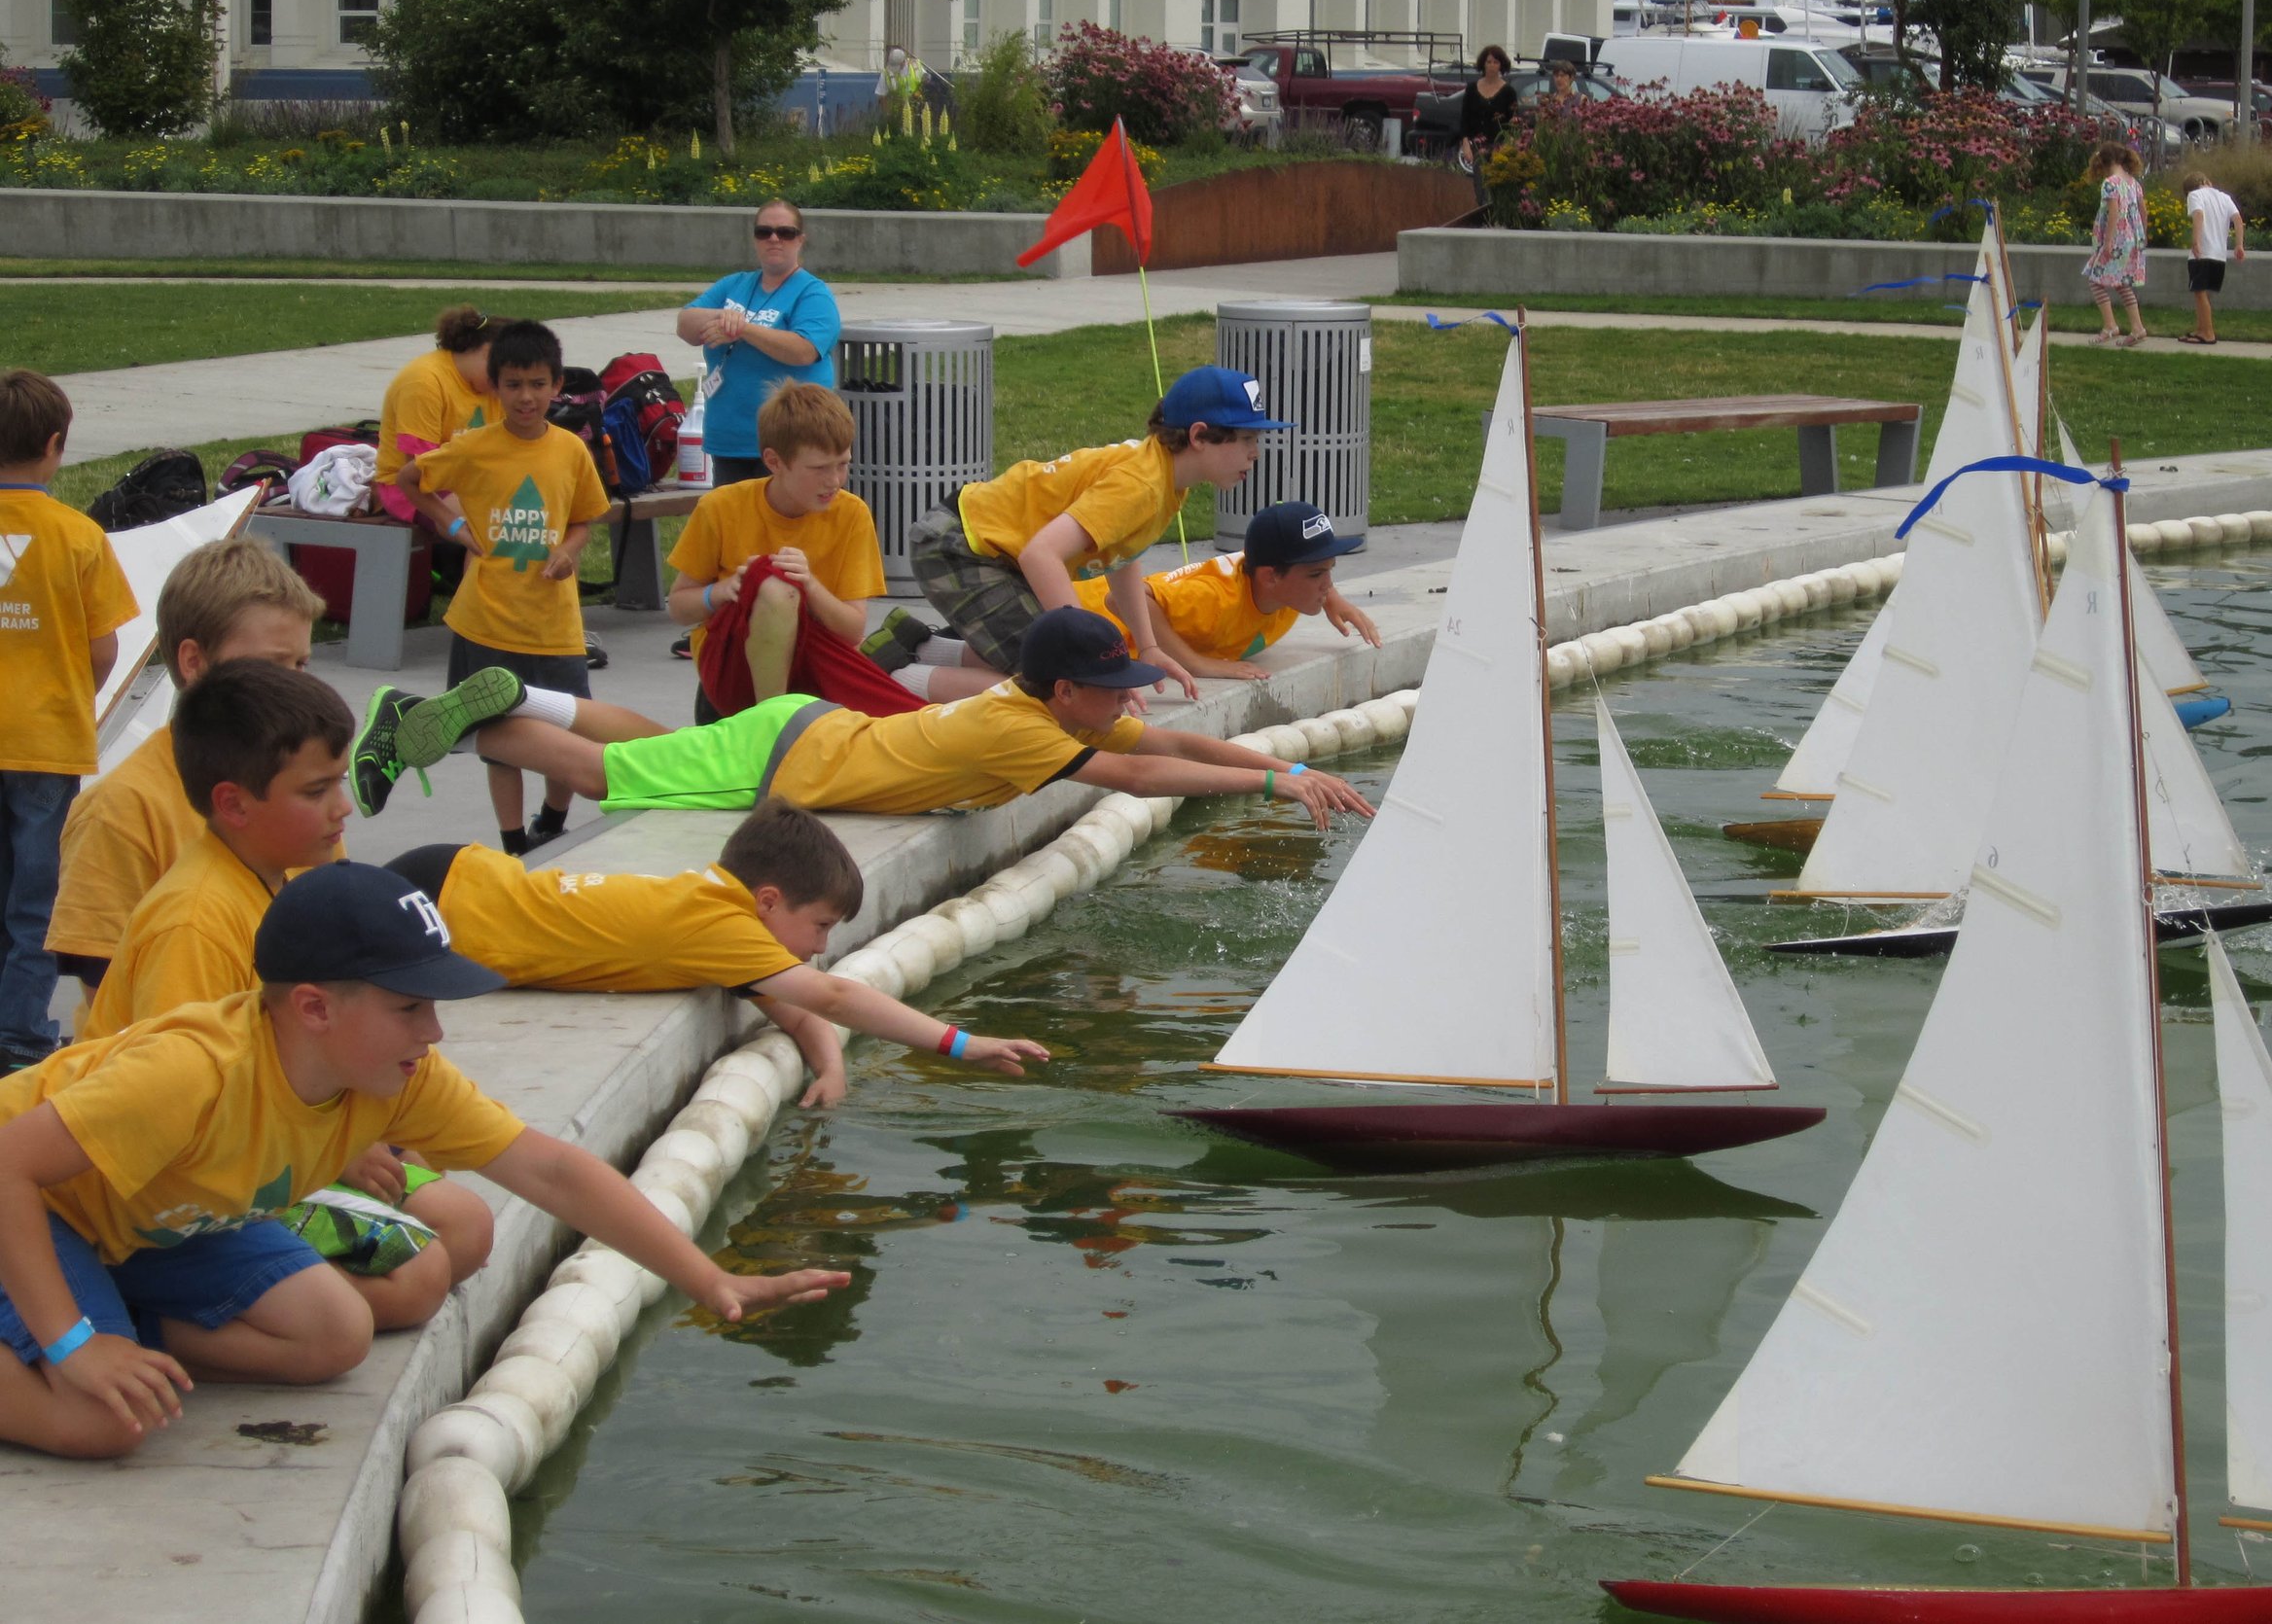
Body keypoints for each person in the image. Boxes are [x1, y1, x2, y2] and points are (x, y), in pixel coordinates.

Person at [0, 861, 847, 1460]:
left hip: (146, 1225)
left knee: (333, 1335)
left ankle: (107, 1324)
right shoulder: (193, 1072)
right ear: (313, 1008)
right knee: (102, 1422)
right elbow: (8, 1164)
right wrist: (73, 1342)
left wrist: (709, 1279)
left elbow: (549, 1170)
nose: (433, 1033)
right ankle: (71, 1332)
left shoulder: (394, 1078)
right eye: (411, 1006)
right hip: (29, 1206)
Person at [79, 661, 492, 1329]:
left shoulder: (285, 874)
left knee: (466, 1227)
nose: (345, 806)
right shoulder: (196, 917)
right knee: (415, 1276)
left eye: (302, 661)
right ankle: (131, 1320)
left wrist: (360, 1127)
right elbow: (180, 1100)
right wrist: (335, 1147)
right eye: (319, 787)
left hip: (268, 1143)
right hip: (184, 1180)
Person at [347, 608, 1378, 830]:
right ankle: (449, 726)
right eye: (1111, 684)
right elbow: (1147, 778)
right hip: (797, 769)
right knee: (606, 776)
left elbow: (1167, 743)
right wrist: (1275, 779)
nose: (1128, 699)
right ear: (1063, 691)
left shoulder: (1052, 709)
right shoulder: (1026, 730)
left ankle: (518, 696)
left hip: (805, 724)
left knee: (652, 742)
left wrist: (1250, 755)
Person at [384, 800, 1047, 1110]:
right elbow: (834, 997)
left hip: (461, 878)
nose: (821, 946)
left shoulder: (719, 912)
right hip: (440, 905)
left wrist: (831, 1065)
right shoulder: (721, 928)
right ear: (767, 899)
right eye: (817, 925)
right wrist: (964, 1044)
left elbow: (801, 1013)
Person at [47, 538, 325, 1002]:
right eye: (273, 666)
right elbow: (110, 1003)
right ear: (194, 662)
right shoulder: (121, 809)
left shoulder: (305, 790)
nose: (293, 685)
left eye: (301, 664)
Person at [905, 367, 1285, 700]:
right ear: (1200, 436)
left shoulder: (1165, 478)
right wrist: (1082, 649)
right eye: (1247, 439)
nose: (1255, 453)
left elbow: (1121, 556)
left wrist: (1149, 646)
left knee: (1059, 672)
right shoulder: (1142, 485)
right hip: (959, 544)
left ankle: (921, 648)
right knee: (1056, 686)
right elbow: (1041, 555)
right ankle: (894, 675)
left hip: (987, 545)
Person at [395, 319, 614, 856]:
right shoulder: (473, 448)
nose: (526, 396)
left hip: (554, 627)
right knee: (502, 744)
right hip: (487, 622)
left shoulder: (569, 451)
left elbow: (586, 517)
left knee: (561, 738)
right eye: (513, 384)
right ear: (494, 387)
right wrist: (452, 527)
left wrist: (568, 550)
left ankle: (553, 823)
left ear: (557, 385)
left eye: (538, 384)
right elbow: (408, 480)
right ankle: (513, 841)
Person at [0, 371, 138, 1075]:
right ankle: (20, 1035)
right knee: (33, 900)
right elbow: (103, 644)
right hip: (46, 742)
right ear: (55, 446)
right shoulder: (78, 535)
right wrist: (77, 694)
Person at [665, 383, 905, 724]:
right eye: (820, 468)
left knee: (913, 718)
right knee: (773, 581)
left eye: (843, 464)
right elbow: (678, 607)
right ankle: (771, 725)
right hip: (733, 673)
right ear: (774, 461)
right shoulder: (720, 507)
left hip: (815, 668)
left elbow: (852, 630)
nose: (835, 480)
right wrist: (724, 590)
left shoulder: (852, 514)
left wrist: (810, 586)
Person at [1074, 501, 1381, 682]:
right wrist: (1195, 663)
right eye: (1317, 574)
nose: (1327, 584)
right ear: (1271, 577)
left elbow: (1265, 562)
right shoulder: (1214, 600)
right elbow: (1120, 599)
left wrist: (1332, 599)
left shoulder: (1280, 589)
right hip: (1075, 614)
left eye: (1330, 570)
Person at [675, 200, 844, 487]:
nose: (774, 239)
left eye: (785, 232)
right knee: (736, 528)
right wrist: (722, 316)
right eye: (764, 232)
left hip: (792, 443)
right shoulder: (733, 285)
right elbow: (685, 325)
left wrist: (742, 329)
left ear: (800, 240)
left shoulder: (813, 293)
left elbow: (804, 350)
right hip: (729, 441)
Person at [373, 304, 501, 529]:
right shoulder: (424, 381)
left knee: (551, 521)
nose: (505, 377)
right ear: (486, 352)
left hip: (471, 484)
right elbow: (420, 471)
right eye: (503, 365)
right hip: (412, 490)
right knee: (494, 526)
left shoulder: (494, 387)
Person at [2082, 141, 2149, 348]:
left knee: (2095, 279)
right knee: (2121, 283)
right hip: (2131, 239)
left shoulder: (2110, 183)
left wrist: (2108, 241)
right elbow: (2143, 211)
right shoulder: (2133, 182)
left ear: (2104, 161)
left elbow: (2113, 212)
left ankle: (2110, 325)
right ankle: (2137, 328)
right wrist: (2142, 235)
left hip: (2116, 240)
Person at [2179, 171, 2246, 346]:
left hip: (2203, 252)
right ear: (2207, 181)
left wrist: (2196, 241)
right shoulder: (2224, 197)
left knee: (2199, 292)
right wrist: (2239, 244)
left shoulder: (2194, 195)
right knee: (2204, 294)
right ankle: (2201, 329)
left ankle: (2208, 333)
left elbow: (2198, 215)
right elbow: (2238, 220)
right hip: (2219, 254)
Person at [1458, 45, 1519, 172]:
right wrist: (1465, 143)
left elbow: (1513, 123)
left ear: (1501, 65)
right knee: (1480, 186)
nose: (1492, 65)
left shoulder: (1508, 91)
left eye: (1496, 62)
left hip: (1500, 150)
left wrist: (1508, 148)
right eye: (1489, 62)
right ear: (1483, 64)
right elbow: (1464, 118)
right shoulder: (1472, 89)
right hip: (1477, 148)